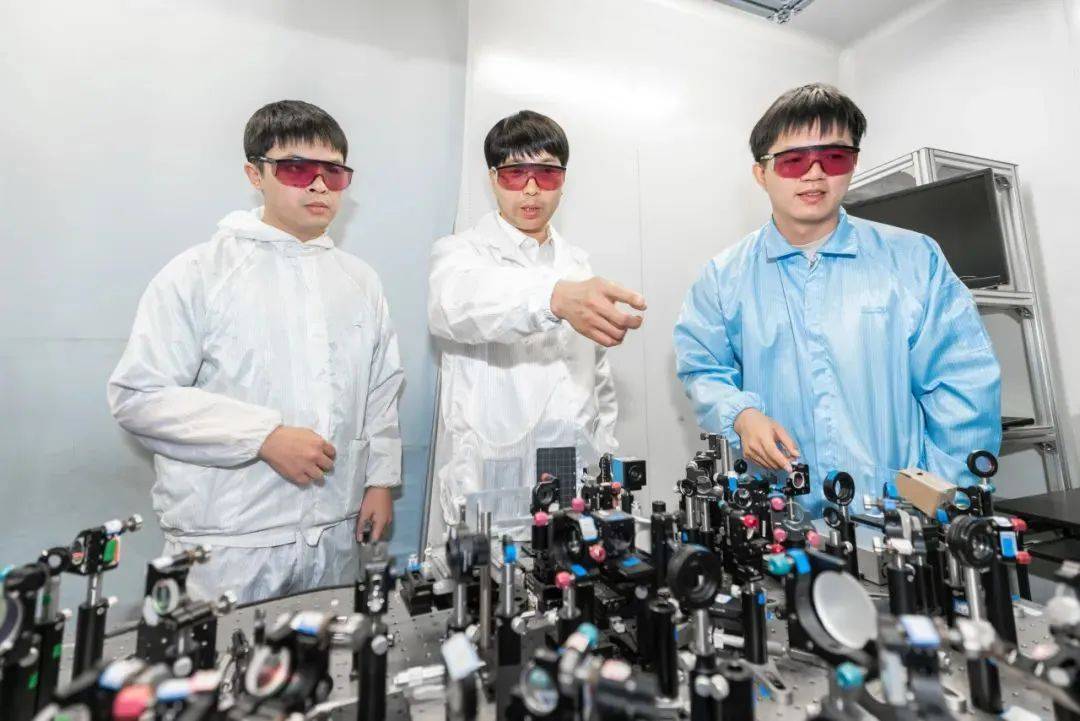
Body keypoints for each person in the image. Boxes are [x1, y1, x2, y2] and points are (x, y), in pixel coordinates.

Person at [108, 100, 403, 601]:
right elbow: (139, 397)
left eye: (333, 172)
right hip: (228, 546)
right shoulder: (200, 273)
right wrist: (262, 437)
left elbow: (381, 391)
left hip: (335, 535)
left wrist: (379, 482)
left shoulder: (359, 281)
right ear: (255, 174)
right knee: (225, 653)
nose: (318, 185)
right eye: (297, 169)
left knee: (331, 650)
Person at [673, 84, 1001, 511]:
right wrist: (741, 415)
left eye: (833, 157)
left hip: (898, 513)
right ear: (761, 173)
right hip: (780, 514)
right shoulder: (723, 277)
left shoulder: (914, 260)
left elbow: (963, 387)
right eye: (793, 161)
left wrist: (941, 500)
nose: (814, 174)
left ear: (853, 164)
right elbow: (702, 367)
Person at [426, 110, 646, 538]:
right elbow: (453, 307)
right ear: (493, 179)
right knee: (496, 575)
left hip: (571, 473)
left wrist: (606, 462)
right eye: (515, 173)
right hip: (492, 476)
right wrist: (552, 299)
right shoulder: (461, 255)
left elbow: (598, 380)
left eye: (546, 174)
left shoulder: (577, 264)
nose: (531, 189)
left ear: (562, 182)